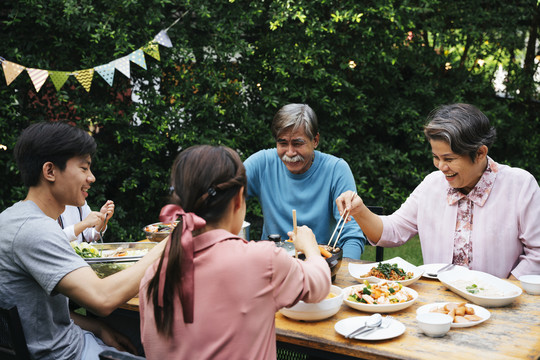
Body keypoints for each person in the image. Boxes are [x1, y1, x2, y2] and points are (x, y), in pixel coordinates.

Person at [139, 145, 331, 360]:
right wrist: (311, 248)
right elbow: (319, 285)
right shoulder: (261, 261)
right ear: (239, 198)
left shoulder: (152, 277)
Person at [0, 121, 167, 359]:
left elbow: (37, 313)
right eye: (84, 168)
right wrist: (164, 248)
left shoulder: (12, 218)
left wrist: (99, 328)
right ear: (50, 171)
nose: (92, 177)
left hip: (73, 338)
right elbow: (102, 298)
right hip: (67, 353)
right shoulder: (34, 230)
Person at [336, 103, 540, 279]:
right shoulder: (431, 185)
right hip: (437, 306)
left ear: (480, 153)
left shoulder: (520, 186)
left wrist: (502, 291)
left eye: (449, 159)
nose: (441, 167)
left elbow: (537, 253)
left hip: (500, 308)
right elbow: (394, 230)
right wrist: (360, 211)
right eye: (436, 157)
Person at [244, 103, 367, 259]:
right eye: (282, 143)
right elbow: (225, 201)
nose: (289, 152)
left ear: (315, 140)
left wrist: (344, 275)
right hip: (271, 266)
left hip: (320, 266)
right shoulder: (262, 163)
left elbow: (351, 235)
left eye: (297, 143)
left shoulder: (336, 170)